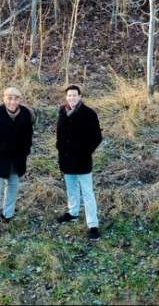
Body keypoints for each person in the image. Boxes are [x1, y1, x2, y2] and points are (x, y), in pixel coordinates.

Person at [0, 86, 33, 238]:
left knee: (13, 187)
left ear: (20, 100)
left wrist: (26, 151)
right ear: (4, 98)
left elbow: (29, 135)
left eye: (16, 98)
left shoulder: (25, 114)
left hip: (17, 160)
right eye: (9, 98)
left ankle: (8, 214)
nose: (12, 101)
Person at [55, 84, 103, 240]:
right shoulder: (62, 112)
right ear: (66, 97)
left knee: (87, 192)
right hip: (66, 159)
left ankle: (93, 224)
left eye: (75, 95)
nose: (72, 98)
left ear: (80, 96)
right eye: (69, 95)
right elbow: (59, 134)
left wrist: (84, 151)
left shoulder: (89, 114)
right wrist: (60, 150)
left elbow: (97, 137)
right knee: (71, 188)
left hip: (82, 160)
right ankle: (73, 212)